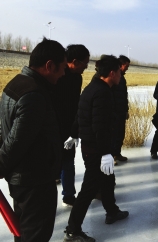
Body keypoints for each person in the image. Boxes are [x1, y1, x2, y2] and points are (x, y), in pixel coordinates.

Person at [0, 38, 66, 242]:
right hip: (34, 183)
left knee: (25, 236)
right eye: (61, 68)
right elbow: (14, 142)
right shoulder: (34, 94)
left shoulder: (16, 83)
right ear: (49, 65)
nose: (63, 74)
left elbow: (3, 129)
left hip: (23, 181)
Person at [63, 55, 128, 242]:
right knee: (89, 189)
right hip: (95, 148)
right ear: (111, 73)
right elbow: (101, 126)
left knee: (107, 178)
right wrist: (106, 153)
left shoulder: (91, 88)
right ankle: (72, 231)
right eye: (119, 72)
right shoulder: (103, 93)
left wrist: (73, 134)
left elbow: (80, 113)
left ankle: (112, 211)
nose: (121, 76)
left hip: (91, 146)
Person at [55, 44, 90, 208]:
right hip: (54, 126)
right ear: (74, 61)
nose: (86, 67)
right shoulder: (57, 74)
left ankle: (68, 195)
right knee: (53, 162)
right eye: (85, 63)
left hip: (69, 127)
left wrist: (76, 128)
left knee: (68, 162)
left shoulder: (77, 77)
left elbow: (76, 103)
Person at [112, 55, 130, 165]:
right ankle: (112, 156)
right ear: (120, 65)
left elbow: (124, 96)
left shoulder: (122, 78)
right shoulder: (114, 76)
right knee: (113, 135)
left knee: (120, 134)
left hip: (121, 111)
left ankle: (117, 153)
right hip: (113, 112)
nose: (127, 68)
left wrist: (126, 110)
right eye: (126, 66)